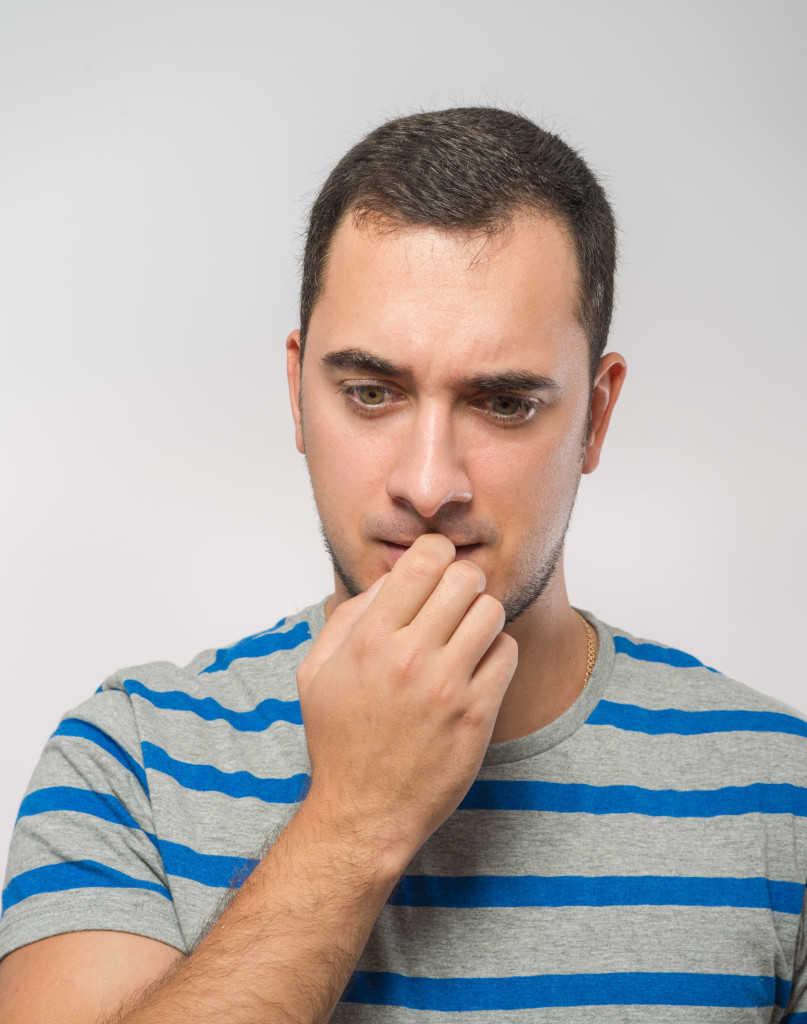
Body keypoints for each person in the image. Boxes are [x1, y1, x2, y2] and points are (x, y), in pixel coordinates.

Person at [1, 106, 806, 1023]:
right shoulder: (131, 764)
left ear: (597, 413)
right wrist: (355, 821)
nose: (428, 485)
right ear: (298, 396)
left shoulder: (781, 796)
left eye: (502, 403)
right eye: (371, 393)